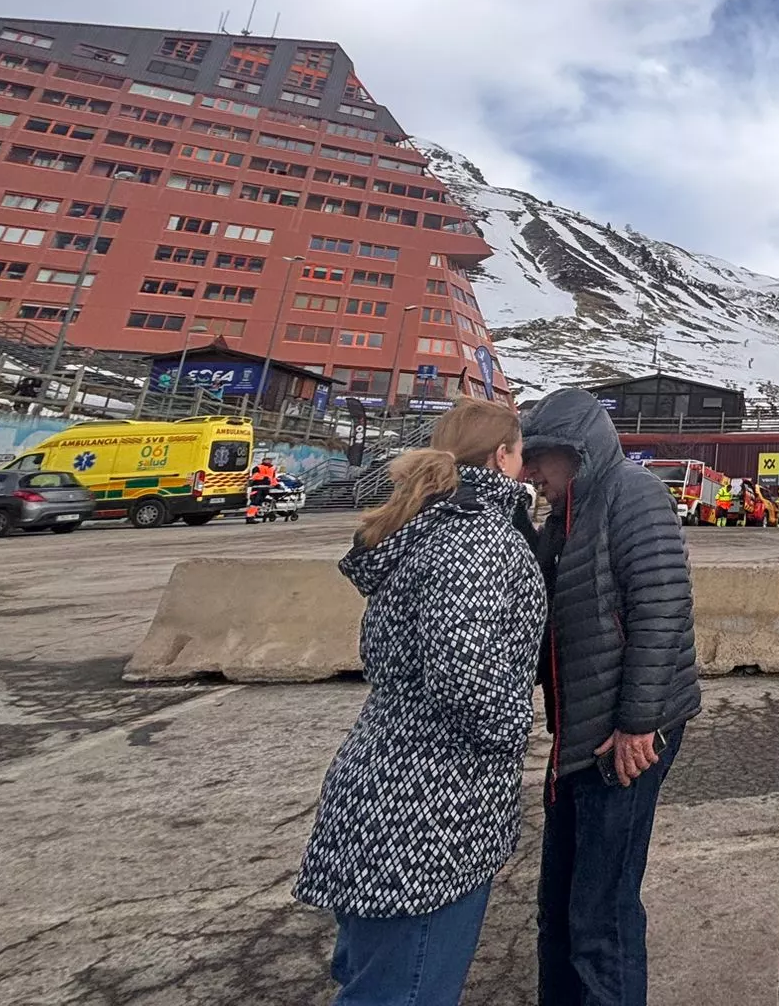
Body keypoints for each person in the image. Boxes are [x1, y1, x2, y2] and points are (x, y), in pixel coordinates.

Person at [295, 399, 547, 1006]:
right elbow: (466, 676)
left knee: (371, 982)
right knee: (407, 992)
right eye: (521, 453)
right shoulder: (477, 538)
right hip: (431, 810)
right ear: (502, 456)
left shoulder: (422, 527)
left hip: (380, 785)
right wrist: (517, 727)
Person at [522, 387, 702, 1006]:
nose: (532, 474)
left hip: (624, 734)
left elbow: (662, 609)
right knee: (563, 904)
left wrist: (637, 723)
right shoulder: (567, 514)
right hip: (581, 732)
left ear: (575, 451)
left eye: (539, 458)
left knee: (602, 912)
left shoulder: (633, 493)